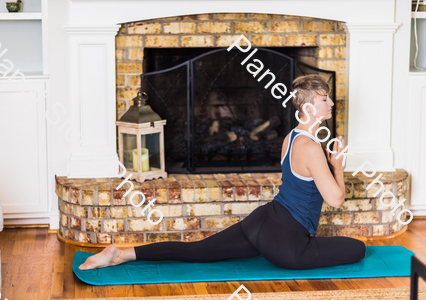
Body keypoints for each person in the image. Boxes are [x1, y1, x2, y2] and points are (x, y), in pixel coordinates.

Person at [79, 74, 366, 271]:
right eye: (324, 99)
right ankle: (121, 255)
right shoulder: (312, 148)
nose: (330, 103)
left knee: (198, 251)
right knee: (357, 249)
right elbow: (336, 200)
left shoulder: (291, 138)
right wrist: (338, 167)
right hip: (287, 244)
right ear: (308, 106)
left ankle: (121, 254)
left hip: (262, 221)